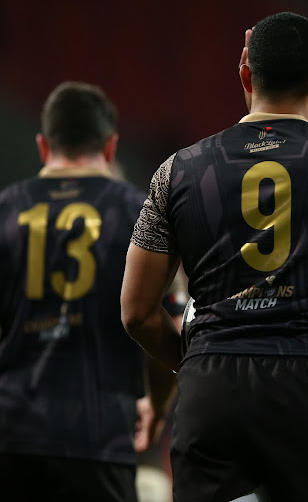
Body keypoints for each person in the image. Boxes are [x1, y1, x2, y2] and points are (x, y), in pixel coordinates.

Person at [120, 11, 308, 502]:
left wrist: (198, 362)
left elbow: (137, 313)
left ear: (246, 74)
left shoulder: (177, 170)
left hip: (213, 384)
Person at [0, 82, 175, 501]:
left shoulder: (5, 210)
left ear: (43, 146)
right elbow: (159, 320)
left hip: (12, 435)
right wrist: (159, 404)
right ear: (111, 147)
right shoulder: (138, 211)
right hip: (100, 434)